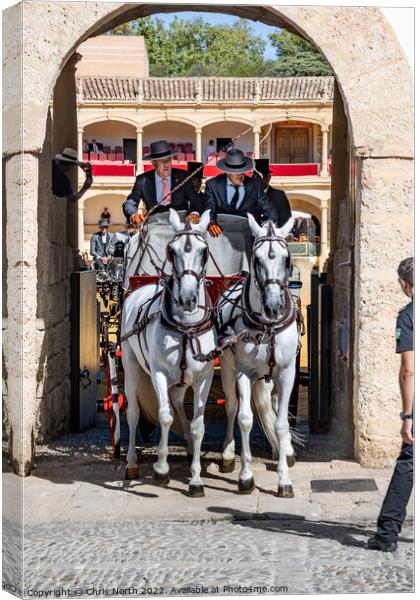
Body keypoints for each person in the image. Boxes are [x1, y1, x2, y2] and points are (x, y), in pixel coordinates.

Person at [367, 257, 414, 553]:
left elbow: (409, 370)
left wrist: (407, 416)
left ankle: (386, 535)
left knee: (408, 463)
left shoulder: (408, 316)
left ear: (403, 283)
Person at [122, 140, 202, 225]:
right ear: (154, 163)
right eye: (162, 162)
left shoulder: (183, 176)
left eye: (168, 160)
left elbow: (196, 201)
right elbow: (130, 202)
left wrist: (195, 213)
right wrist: (134, 215)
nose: (166, 165)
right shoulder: (142, 180)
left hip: (181, 223)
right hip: (154, 224)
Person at [203, 148, 277, 237]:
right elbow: (209, 209)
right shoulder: (212, 185)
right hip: (220, 233)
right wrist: (211, 223)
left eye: (242, 171)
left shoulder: (255, 184)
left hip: (248, 234)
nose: (241, 175)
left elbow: (269, 209)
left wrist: (267, 225)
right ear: (227, 172)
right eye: (236, 172)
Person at [254, 158, 292, 228]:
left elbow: (285, 220)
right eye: (255, 178)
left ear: (268, 178)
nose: (258, 181)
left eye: (261, 178)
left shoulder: (279, 196)